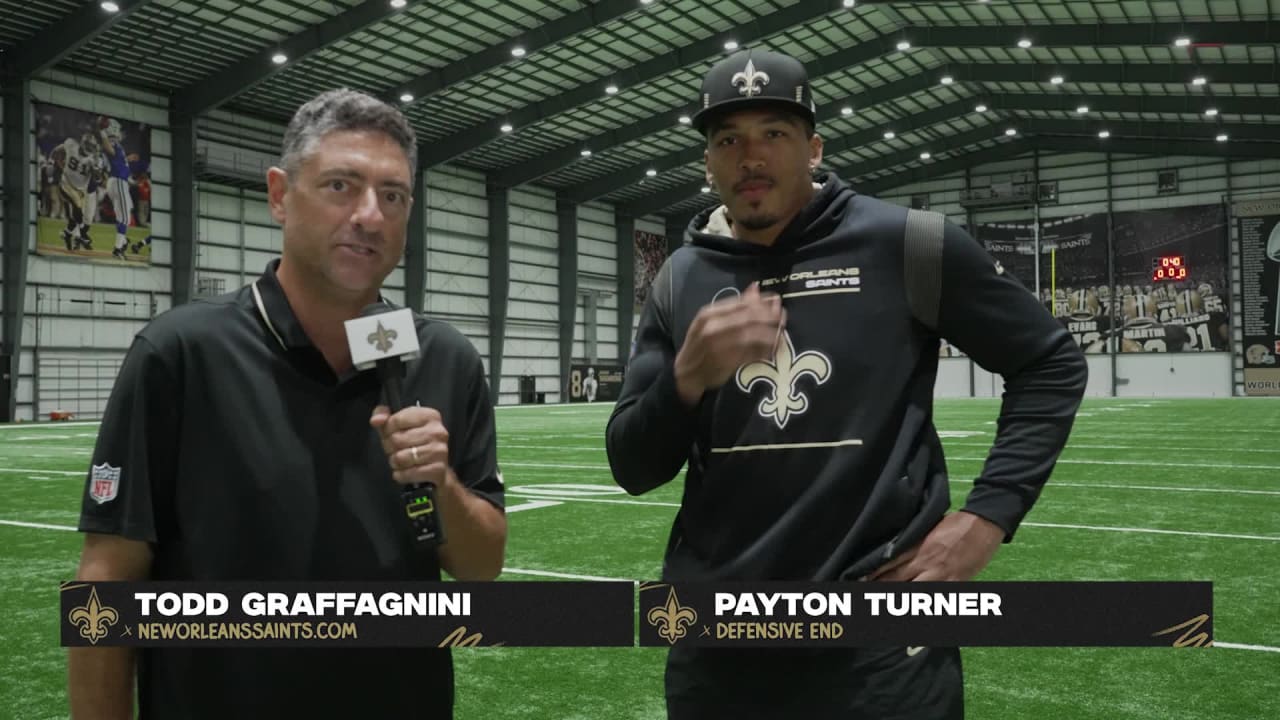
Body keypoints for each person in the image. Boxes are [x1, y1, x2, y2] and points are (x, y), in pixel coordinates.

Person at [606, 49, 1087, 718]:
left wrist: (987, 519)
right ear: (708, 163)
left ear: (814, 147)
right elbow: (632, 466)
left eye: (774, 133)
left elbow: (1049, 363)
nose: (751, 156)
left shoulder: (908, 245)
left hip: (882, 647)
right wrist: (685, 379)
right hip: (713, 638)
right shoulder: (678, 280)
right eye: (728, 140)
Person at [68, 88, 507, 719]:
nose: (369, 215)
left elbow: (481, 567)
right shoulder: (182, 353)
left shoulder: (443, 357)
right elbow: (109, 576)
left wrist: (440, 484)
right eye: (339, 186)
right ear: (279, 195)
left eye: (393, 196)